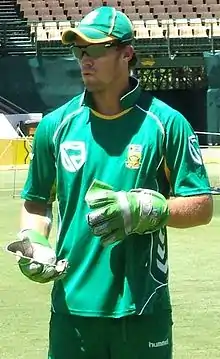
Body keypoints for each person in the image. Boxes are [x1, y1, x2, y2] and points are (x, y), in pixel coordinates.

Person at [8, 6, 213, 359]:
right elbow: (36, 202)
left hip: (143, 309)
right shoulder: (55, 127)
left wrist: (148, 209)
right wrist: (34, 240)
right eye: (80, 51)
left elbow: (201, 206)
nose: (85, 59)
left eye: (97, 49)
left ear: (126, 53)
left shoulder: (167, 124)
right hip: (72, 307)